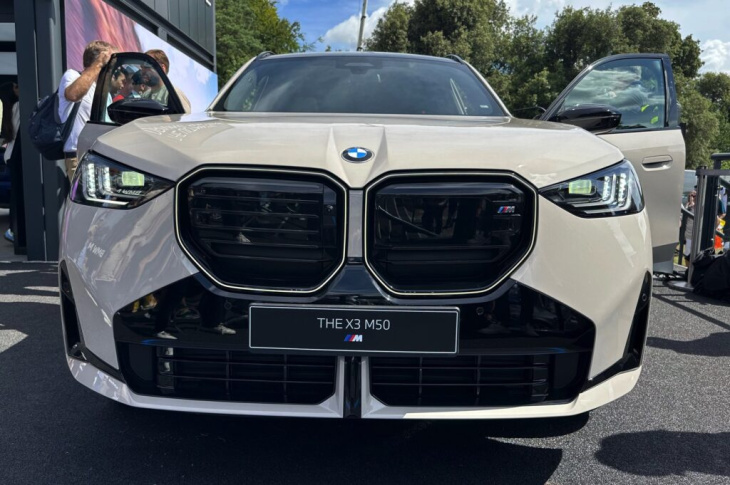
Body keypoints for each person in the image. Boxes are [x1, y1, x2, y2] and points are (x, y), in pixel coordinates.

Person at [58, 40, 116, 181]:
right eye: (111, 61)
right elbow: (73, 95)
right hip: (80, 157)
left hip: (102, 157)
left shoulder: (104, 92)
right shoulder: (72, 76)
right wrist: (98, 64)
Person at [0, 82, 19, 242]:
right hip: (16, 155)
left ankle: (13, 230)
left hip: (9, 155)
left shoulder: (7, 109)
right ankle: (14, 231)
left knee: (15, 196)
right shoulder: (18, 107)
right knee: (19, 196)